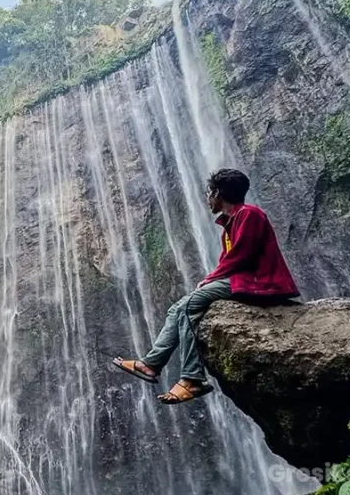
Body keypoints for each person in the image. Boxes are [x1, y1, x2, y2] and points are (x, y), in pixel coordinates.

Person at [113, 168, 299, 404]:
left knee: (189, 304)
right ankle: (151, 364)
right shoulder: (231, 224)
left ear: (218, 193)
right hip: (242, 283)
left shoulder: (250, 215)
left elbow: (242, 256)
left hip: (259, 283)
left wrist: (210, 279)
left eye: (209, 193)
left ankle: (191, 379)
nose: (207, 199)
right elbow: (230, 259)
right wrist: (213, 278)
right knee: (177, 308)